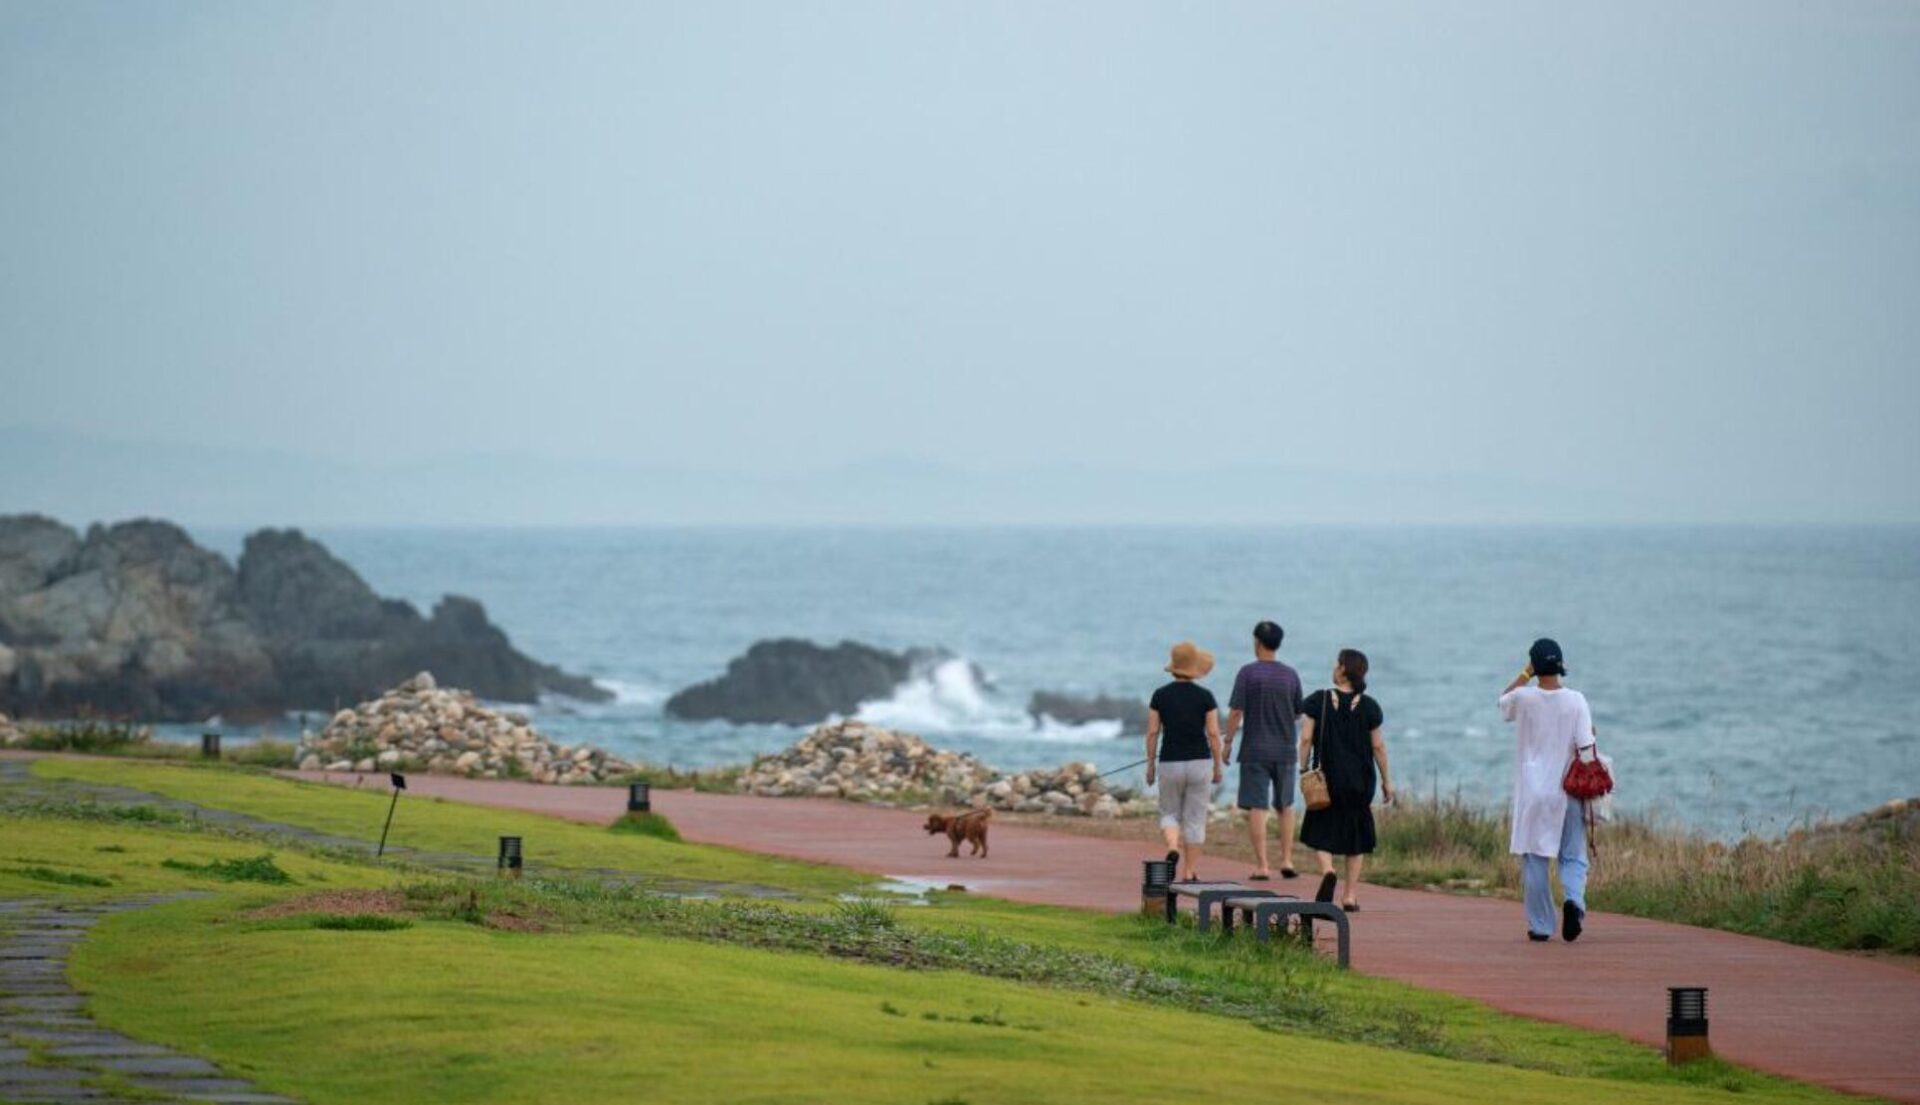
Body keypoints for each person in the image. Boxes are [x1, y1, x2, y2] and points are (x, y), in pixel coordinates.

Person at [1499, 637, 1596, 943]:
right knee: (1573, 853)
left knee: (1535, 858)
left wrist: (1526, 673)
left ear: (1535, 666)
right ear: (1560, 665)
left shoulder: (1524, 698)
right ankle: (1573, 902)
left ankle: (1541, 925)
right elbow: (1587, 748)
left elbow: (1503, 701)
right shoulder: (1577, 700)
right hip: (1567, 789)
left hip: (1533, 792)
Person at [1297, 649, 1391, 911]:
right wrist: (1387, 781)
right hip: (1360, 783)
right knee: (1356, 838)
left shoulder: (1318, 701)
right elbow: (1379, 747)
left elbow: (1305, 738)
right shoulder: (1370, 706)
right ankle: (1349, 896)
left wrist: (1303, 766)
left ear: (1341, 670)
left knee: (1320, 828)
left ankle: (1328, 870)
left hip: (1328, 780)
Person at [1221, 620, 1304, 880]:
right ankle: (1288, 860)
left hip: (1255, 749)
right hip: (1285, 751)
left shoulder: (1248, 673)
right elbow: (1298, 712)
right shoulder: (1290, 675)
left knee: (1258, 807)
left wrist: (1228, 742)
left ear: (1257, 642)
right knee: (1285, 805)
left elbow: (1236, 712)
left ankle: (1263, 866)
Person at [1145, 640, 1223, 882]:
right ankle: (1189, 871)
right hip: (1200, 762)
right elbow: (1212, 733)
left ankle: (1172, 846)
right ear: (1194, 666)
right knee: (1195, 818)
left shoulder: (1160, 695)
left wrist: (1150, 765)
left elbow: (1152, 733)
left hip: (1169, 761)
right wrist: (1218, 765)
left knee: (1169, 812)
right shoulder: (1205, 697)